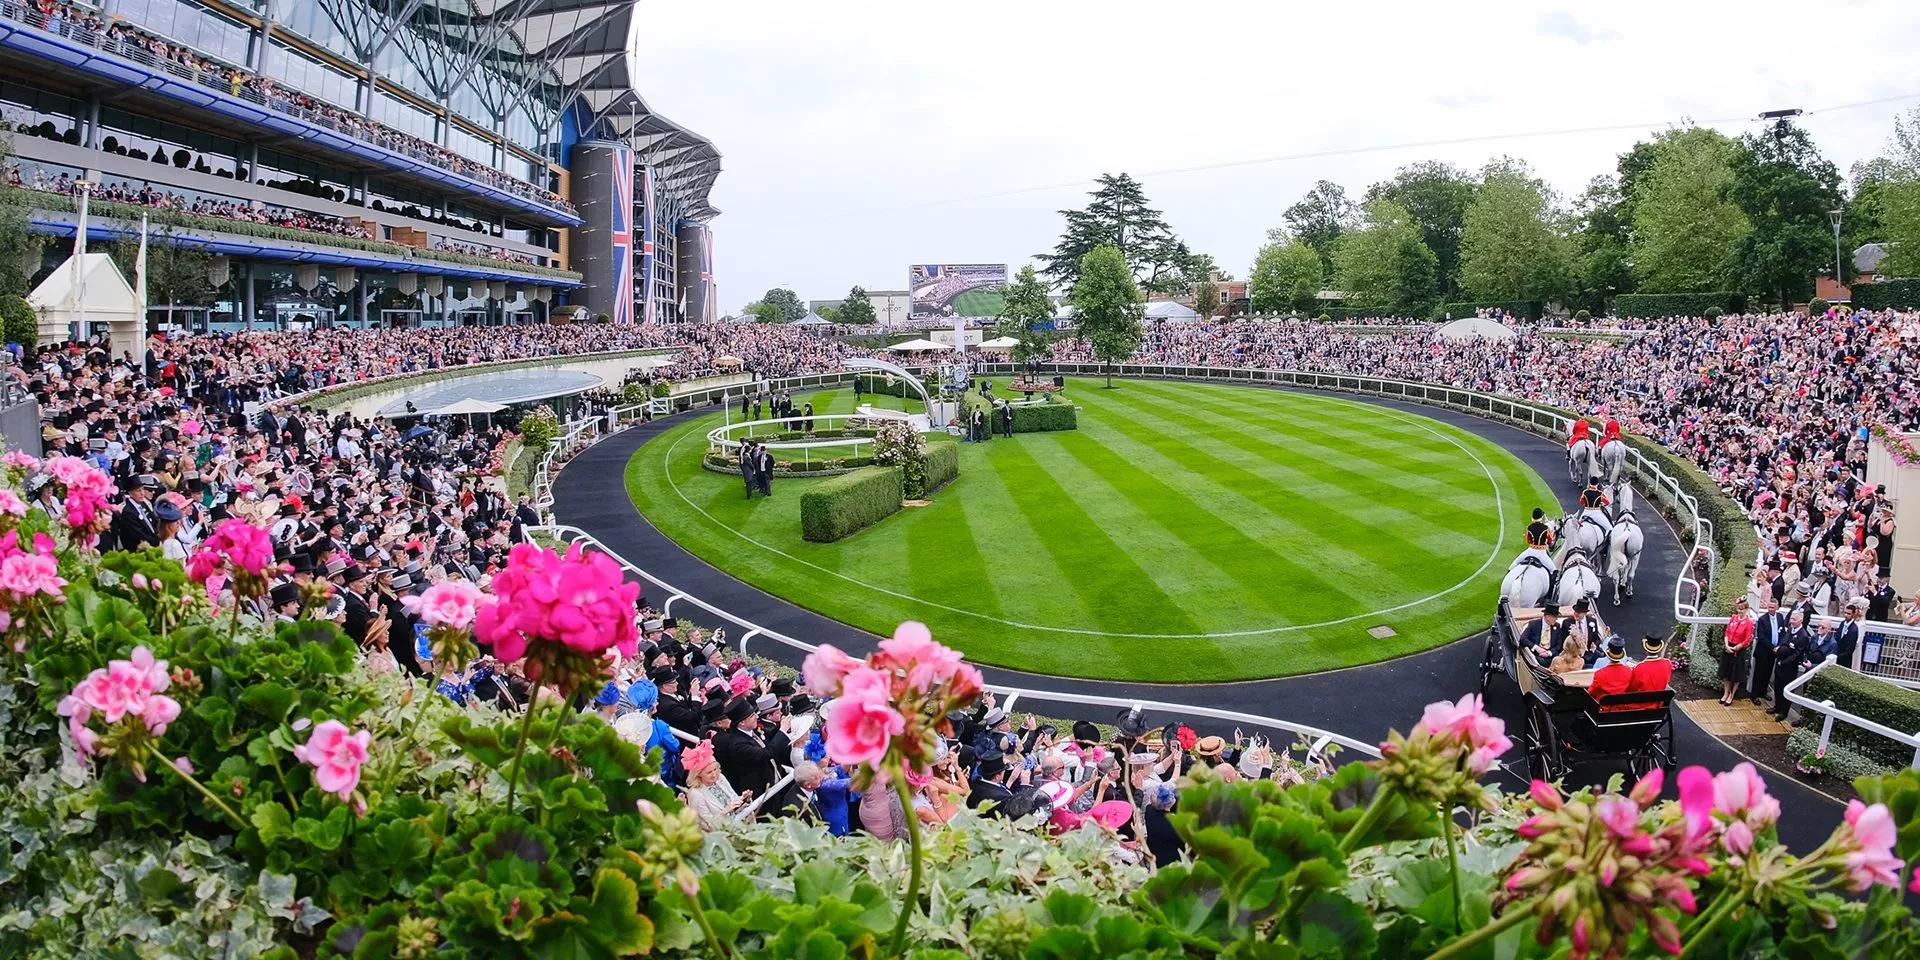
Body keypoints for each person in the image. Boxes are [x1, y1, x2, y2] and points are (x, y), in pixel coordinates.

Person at [682, 739, 750, 831]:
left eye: (715, 769)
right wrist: (725, 812)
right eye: (709, 772)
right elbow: (705, 826)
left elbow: (733, 799)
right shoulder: (696, 794)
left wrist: (744, 799)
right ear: (699, 774)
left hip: (739, 827)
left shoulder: (720, 778)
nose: (714, 774)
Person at [791, 761, 853, 836]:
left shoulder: (812, 783)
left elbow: (836, 769)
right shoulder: (798, 805)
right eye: (817, 777)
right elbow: (849, 782)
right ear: (808, 785)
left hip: (833, 816)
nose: (821, 776)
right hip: (833, 825)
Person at [1772, 611, 1812, 721]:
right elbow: (1784, 642)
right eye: (1791, 619)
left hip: (1789, 668)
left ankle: (1783, 712)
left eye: (1794, 619)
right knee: (1777, 687)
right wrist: (1778, 648)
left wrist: (1783, 662)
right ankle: (1777, 706)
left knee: (1786, 689)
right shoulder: (1790, 630)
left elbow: (1796, 654)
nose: (1791, 621)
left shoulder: (1803, 636)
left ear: (1800, 620)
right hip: (1780, 663)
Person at [1750, 597, 1785, 706]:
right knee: (1759, 673)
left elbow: (1782, 633)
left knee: (1768, 673)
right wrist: (1772, 647)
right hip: (1763, 651)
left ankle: (1763, 691)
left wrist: (1779, 646)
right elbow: (1762, 637)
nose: (1770, 609)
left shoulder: (1780, 617)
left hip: (1774, 652)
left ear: (1777, 607)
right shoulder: (1762, 619)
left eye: (1773, 607)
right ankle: (1754, 694)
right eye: (1769, 607)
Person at [1720, 597, 1754, 706]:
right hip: (1728, 647)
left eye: (1742, 609)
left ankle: (1732, 694)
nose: (1740, 611)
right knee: (1726, 672)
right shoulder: (1733, 618)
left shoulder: (1748, 622)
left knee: (1736, 674)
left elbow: (1747, 639)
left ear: (1746, 609)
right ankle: (1725, 693)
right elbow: (1727, 632)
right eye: (1738, 609)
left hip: (1738, 650)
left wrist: (1737, 647)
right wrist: (1726, 645)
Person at [1588, 634, 1632, 701]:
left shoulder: (1599, 674)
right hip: (1622, 707)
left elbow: (1591, 692)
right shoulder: (1629, 671)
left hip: (1604, 708)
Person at [1837, 597, 1866, 669]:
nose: (1846, 615)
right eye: (1845, 613)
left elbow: (1851, 648)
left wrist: (1839, 656)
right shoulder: (1842, 623)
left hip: (1846, 658)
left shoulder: (1855, 629)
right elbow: (1837, 637)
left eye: (1849, 614)